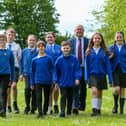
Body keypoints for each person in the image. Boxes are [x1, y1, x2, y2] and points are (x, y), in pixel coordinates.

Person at [85, 32, 112, 116]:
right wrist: (86, 77)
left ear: (101, 40)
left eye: (98, 38)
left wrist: (110, 79)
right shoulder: (89, 51)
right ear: (92, 40)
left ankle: (98, 109)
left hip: (102, 75)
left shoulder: (104, 51)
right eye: (95, 38)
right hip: (92, 75)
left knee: (99, 92)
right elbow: (86, 65)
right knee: (94, 91)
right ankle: (94, 110)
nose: (97, 39)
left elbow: (108, 65)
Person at [54, 41, 82, 117]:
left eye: (67, 48)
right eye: (64, 48)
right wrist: (56, 81)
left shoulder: (74, 59)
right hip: (62, 82)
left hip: (72, 82)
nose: (66, 49)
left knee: (70, 97)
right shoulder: (59, 60)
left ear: (70, 49)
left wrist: (77, 78)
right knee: (63, 96)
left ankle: (69, 111)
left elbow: (77, 69)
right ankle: (62, 112)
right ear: (61, 49)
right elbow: (55, 71)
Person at [68, 24, 89, 114]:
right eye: (77, 29)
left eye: (81, 29)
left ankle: (82, 105)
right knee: (74, 87)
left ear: (83, 31)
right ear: (74, 31)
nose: (79, 31)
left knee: (83, 87)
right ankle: (74, 106)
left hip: (84, 67)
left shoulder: (88, 41)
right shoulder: (70, 41)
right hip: (74, 68)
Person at [30, 41, 53, 118]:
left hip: (47, 80)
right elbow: (32, 72)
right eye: (39, 46)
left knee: (46, 97)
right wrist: (32, 83)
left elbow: (52, 69)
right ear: (37, 48)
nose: (41, 48)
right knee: (39, 97)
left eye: (42, 46)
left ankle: (45, 110)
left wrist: (53, 80)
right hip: (37, 81)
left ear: (45, 48)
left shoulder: (49, 58)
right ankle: (40, 112)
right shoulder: (34, 60)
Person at [20, 34, 38, 114]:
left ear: (36, 41)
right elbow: (21, 62)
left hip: (36, 73)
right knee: (27, 89)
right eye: (30, 40)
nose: (31, 41)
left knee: (34, 90)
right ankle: (27, 106)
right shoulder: (24, 51)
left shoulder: (38, 50)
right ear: (27, 41)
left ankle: (33, 107)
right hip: (26, 73)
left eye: (33, 40)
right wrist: (21, 73)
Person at [109, 31, 126, 114]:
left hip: (124, 70)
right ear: (115, 38)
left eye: (120, 37)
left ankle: (122, 110)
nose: (119, 38)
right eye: (117, 37)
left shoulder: (125, 47)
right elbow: (107, 59)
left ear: (123, 38)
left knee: (122, 90)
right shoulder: (111, 47)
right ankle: (115, 105)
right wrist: (110, 56)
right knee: (116, 89)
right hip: (115, 70)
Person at [45, 32, 62, 114]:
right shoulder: (43, 48)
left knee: (56, 88)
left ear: (54, 38)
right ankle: (49, 107)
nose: (49, 39)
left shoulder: (59, 48)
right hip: (48, 71)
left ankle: (55, 104)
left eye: (51, 37)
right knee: (49, 90)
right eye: (48, 37)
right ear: (45, 39)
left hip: (58, 71)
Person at [6, 27, 21, 113]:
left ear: (14, 36)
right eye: (9, 35)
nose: (10, 36)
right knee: (7, 88)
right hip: (5, 69)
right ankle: (8, 106)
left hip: (15, 68)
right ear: (6, 35)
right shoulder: (3, 45)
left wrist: (20, 71)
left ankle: (15, 103)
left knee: (14, 86)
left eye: (12, 35)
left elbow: (19, 59)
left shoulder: (17, 46)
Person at [0, 34, 15, 117]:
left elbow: (12, 66)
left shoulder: (9, 52)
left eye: (3, 39)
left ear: (6, 41)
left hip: (5, 75)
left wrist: (12, 78)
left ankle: (3, 111)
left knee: (3, 92)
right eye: (0, 39)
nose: (1, 40)